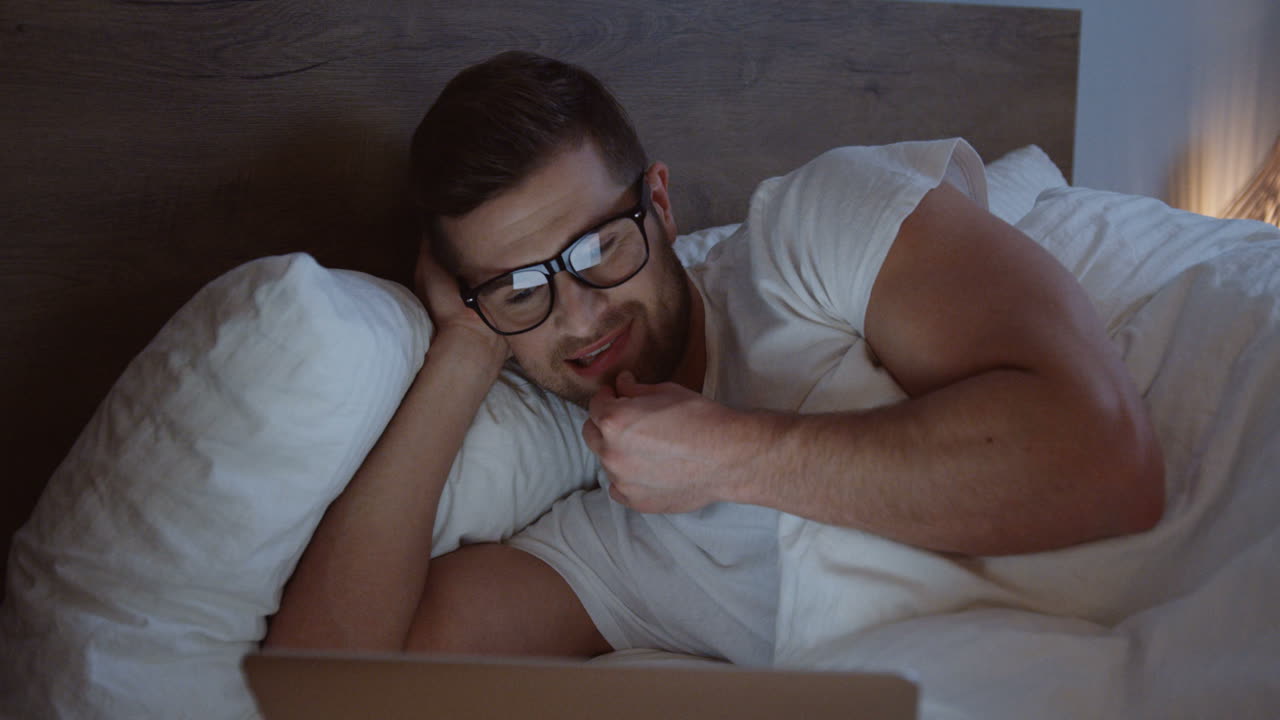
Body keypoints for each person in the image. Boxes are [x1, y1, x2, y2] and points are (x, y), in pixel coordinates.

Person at [264, 51, 1164, 665]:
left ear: (659, 203)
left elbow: (1108, 463)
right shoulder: (614, 546)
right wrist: (462, 354)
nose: (579, 314)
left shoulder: (808, 233)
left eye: (600, 247)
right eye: (518, 289)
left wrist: (733, 455)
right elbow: (326, 683)